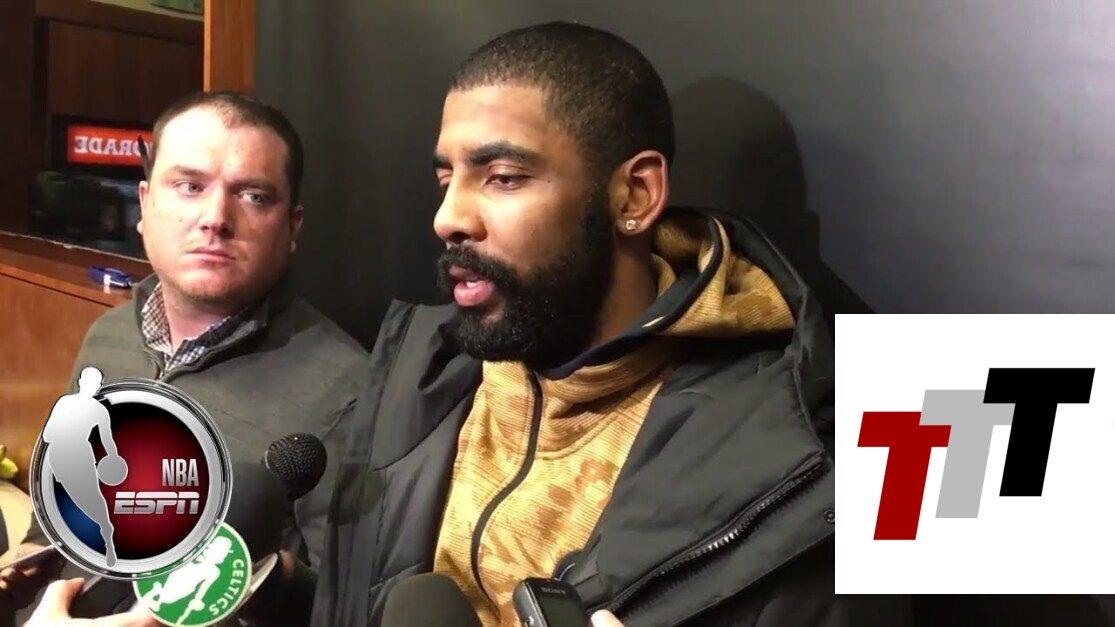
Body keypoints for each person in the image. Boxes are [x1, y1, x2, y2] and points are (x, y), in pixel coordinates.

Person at [304, 22, 909, 627]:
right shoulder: (416, 369)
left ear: (634, 196)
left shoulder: (843, 431)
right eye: (447, 180)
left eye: (503, 177)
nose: (448, 217)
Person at [0, 91, 368, 623]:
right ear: (145, 205)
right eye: (190, 186)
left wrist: (265, 582)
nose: (215, 217)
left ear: (292, 227)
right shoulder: (108, 335)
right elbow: (58, 512)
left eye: (254, 196)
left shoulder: (348, 392)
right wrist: (26, 563)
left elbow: (345, 607)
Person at [41, 367, 127, 568]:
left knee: (89, 499)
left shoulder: (93, 409)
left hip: (77, 456)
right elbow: (47, 434)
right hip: (63, 456)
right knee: (75, 500)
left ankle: (105, 534)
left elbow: (108, 442)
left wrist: (114, 459)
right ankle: (103, 532)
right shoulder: (72, 404)